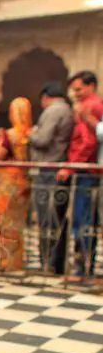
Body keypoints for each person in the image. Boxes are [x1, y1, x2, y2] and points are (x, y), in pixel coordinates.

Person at [57, 71, 103, 280]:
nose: (75, 94)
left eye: (79, 89)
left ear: (91, 86)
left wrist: (71, 167)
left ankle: (81, 268)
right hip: (88, 170)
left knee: (82, 220)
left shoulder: (90, 107)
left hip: (85, 171)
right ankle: (84, 266)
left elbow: (87, 143)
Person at [29, 81, 74, 275]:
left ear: (45, 98)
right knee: (58, 218)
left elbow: (43, 139)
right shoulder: (68, 110)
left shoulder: (53, 111)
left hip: (49, 170)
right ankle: (57, 263)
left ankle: (47, 263)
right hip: (58, 169)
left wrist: (31, 133)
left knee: (47, 218)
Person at [0, 98, 32, 273]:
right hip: (23, 182)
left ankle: (5, 260)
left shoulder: (10, 134)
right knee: (17, 223)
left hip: (7, 183)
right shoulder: (31, 133)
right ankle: (16, 260)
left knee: (4, 222)